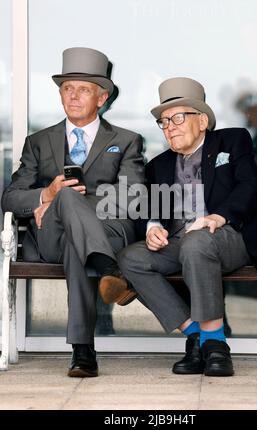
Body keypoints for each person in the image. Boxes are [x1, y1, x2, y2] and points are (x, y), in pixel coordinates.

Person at [118, 77, 257, 377]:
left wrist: (217, 216)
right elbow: (147, 204)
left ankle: (216, 346)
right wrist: (153, 226)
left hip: (228, 236)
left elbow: (253, 187)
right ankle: (196, 334)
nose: (169, 126)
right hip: (179, 242)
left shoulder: (233, 141)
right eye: (164, 121)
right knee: (132, 258)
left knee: (197, 242)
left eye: (177, 117)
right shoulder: (159, 164)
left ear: (201, 121)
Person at [1, 47, 145, 378]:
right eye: (67, 88)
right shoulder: (39, 141)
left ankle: (83, 351)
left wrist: (69, 201)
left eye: (83, 89)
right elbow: (10, 198)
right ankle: (111, 271)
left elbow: (132, 197)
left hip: (107, 233)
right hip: (50, 237)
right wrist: (47, 193)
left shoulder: (126, 141)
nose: (73, 96)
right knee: (62, 194)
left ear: (102, 97)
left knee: (73, 236)